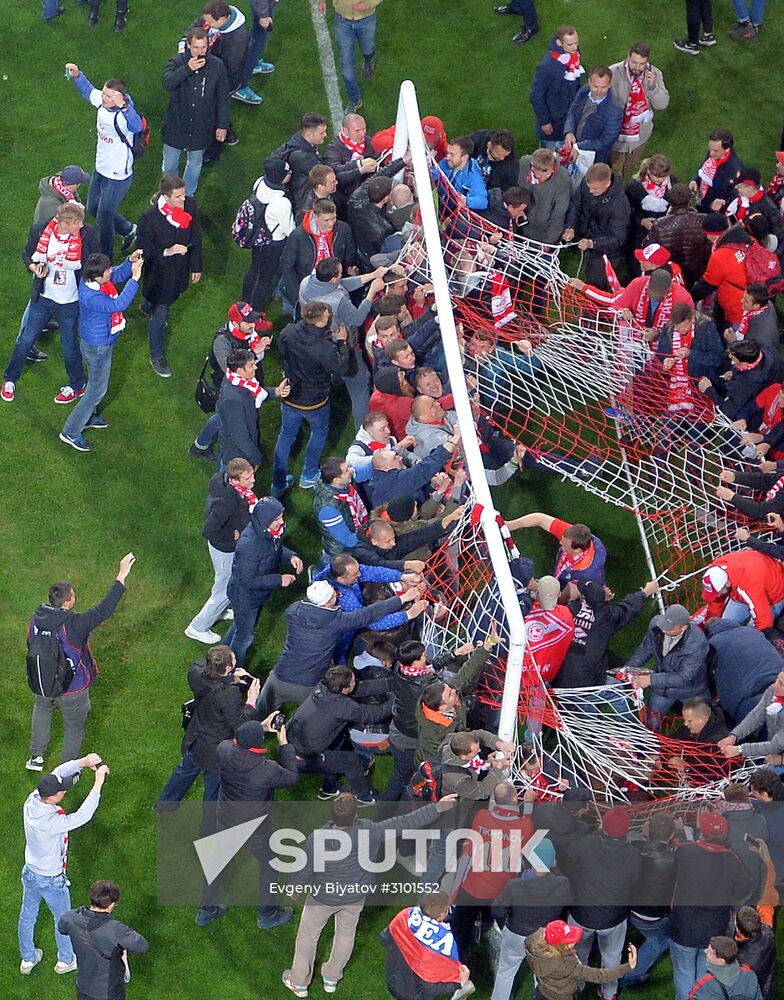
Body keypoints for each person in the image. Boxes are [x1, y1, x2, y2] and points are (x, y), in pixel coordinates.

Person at [283, 792, 455, 997]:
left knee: (307, 936)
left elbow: (306, 867)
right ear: (355, 816)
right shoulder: (370, 830)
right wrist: (437, 807)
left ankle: (299, 981)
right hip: (355, 896)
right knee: (346, 934)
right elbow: (406, 822)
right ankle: (331, 977)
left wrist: (295, 887)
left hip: (323, 897)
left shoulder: (318, 837)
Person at [25, 553, 135, 772]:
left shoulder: (37, 617)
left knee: (42, 709)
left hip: (42, 680)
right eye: (73, 595)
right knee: (74, 729)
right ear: (67, 602)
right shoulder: (75, 624)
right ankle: (64, 772)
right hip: (72, 688)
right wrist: (121, 576)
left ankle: (36, 758)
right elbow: (104, 609)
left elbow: (30, 642)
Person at [257, 579, 421, 715]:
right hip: (308, 685)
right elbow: (369, 614)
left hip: (279, 676)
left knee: (257, 713)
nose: (337, 593)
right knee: (316, 719)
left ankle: (248, 735)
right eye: (334, 594)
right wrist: (404, 601)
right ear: (329, 601)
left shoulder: (293, 611)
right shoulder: (338, 621)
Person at [196, 717, 298, 928]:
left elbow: (234, 741)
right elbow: (291, 778)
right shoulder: (266, 770)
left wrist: (259, 727)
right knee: (270, 866)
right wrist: (284, 745)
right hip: (255, 831)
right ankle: (267, 914)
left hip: (225, 819)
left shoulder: (224, 750)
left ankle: (206, 910)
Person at [19, 754, 109, 976]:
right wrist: (98, 782)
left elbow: (58, 772)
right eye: (62, 791)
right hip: (51, 879)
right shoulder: (50, 822)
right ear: (52, 798)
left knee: (27, 915)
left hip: (30, 872)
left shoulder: (33, 800)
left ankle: (27, 959)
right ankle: (65, 960)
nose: (65, 791)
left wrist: (83, 762)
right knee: (64, 920)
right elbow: (82, 816)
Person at [2, 203, 99, 406]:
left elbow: (96, 259)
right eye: (76, 223)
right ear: (64, 223)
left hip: (70, 301)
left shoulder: (87, 233)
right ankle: (10, 379)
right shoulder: (41, 230)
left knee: (70, 345)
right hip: (44, 297)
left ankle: (77, 384)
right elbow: (27, 255)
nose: (81, 225)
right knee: (26, 339)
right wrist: (34, 267)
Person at [156, 645, 260, 811]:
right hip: (216, 750)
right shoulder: (229, 694)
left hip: (196, 737)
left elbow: (212, 684)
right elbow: (241, 725)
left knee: (184, 772)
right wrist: (251, 702)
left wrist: (230, 679)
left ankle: (164, 804)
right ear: (227, 667)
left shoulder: (195, 672)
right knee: (214, 791)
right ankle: (209, 827)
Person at [59, 250, 143, 453]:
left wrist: (128, 262)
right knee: (97, 390)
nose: (110, 272)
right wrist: (135, 278)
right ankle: (70, 431)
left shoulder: (93, 280)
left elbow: (116, 274)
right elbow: (119, 304)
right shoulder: (92, 297)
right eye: (107, 271)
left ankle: (88, 417)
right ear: (98, 276)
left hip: (98, 341)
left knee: (96, 385)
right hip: (98, 347)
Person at [669, 813, 752, 1000]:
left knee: (684, 972)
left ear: (703, 832)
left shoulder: (685, 852)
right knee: (703, 973)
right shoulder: (733, 859)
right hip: (714, 927)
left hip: (683, 924)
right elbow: (742, 891)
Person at [272, 301, 352, 494]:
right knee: (319, 432)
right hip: (315, 401)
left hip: (291, 395)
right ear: (320, 321)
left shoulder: (288, 331)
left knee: (286, 435)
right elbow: (341, 368)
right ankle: (308, 475)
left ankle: (278, 482)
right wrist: (342, 342)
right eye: (327, 315)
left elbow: (282, 353)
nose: (329, 316)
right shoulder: (324, 348)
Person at [64, 63, 143, 257]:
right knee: (92, 207)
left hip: (117, 175)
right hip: (101, 168)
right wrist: (77, 75)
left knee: (104, 216)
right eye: (105, 94)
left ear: (120, 98)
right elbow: (89, 91)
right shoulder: (103, 103)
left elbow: (137, 126)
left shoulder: (124, 117)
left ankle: (105, 258)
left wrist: (124, 106)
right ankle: (129, 230)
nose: (104, 98)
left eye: (109, 96)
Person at [565, 807, 642, 1000]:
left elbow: (569, 861)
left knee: (577, 954)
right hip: (613, 918)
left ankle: (577, 987)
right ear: (625, 830)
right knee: (611, 958)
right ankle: (609, 993)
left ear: (603, 826)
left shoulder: (584, 844)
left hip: (582, 914)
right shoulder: (633, 855)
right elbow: (634, 880)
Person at [299, 258, 387, 427]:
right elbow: (357, 318)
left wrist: (371, 276)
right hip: (344, 346)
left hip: (319, 343)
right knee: (359, 386)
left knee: (335, 370)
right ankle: (365, 432)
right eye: (339, 273)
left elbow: (341, 285)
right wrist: (372, 292)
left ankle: (336, 378)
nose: (342, 275)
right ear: (332, 278)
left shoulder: (306, 283)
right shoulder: (337, 301)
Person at [288, 664, 394, 801]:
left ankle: (328, 789)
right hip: (304, 756)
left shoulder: (323, 687)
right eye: (353, 682)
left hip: (292, 741)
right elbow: (373, 714)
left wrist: (390, 683)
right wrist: (395, 702)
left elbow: (361, 688)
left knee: (336, 747)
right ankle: (365, 797)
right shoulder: (342, 706)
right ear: (344, 689)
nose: (356, 683)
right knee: (352, 762)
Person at [136, 174, 203, 377]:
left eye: (184, 194)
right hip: (159, 273)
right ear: (166, 196)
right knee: (161, 313)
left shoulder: (189, 205)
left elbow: (196, 236)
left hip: (180, 270)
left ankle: (147, 306)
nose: (184, 199)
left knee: (171, 297)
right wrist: (167, 251)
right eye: (179, 196)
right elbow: (143, 249)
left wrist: (196, 265)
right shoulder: (149, 218)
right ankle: (156, 355)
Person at [223, 497, 303, 665]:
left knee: (240, 627)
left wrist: (290, 556)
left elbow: (275, 549)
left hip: (254, 596)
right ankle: (232, 671)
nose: (281, 522)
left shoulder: (268, 532)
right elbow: (248, 580)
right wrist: (279, 580)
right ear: (265, 520)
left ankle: (221, 656)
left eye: (281, 516)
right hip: (246, 597)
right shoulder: (249, 546)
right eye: (276, 519)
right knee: (244, 638)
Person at [185, 458, 257, 644]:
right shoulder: (226, 502)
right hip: (223, 549)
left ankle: (217, 611)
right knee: (226, 588)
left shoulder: (226, 483)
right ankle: (198, 627)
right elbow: (208, 530)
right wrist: (231, 536)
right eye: (248, 478)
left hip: (226, 548)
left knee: (222, 584)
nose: (253, 480)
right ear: (236, 479)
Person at [190, 301, 273, 460]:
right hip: (230, 386)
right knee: (225, 417)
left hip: (248, 379)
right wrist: (254, 353)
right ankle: (200, 446)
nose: (252, 325)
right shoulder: (222, 341)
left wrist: (259, 348)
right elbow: (229, 368)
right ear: (235, 323)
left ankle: (201, 445)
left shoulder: (248, 332)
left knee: (235, 415)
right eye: (248, 322)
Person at [491, 838, 571, 1000]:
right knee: (543, 975)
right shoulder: (562, 884)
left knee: (505, 972)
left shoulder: (515, 885)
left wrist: (504, 927)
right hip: (545, 938)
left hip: (516, 934)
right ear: (553, 862)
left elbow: (497, 910)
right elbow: (567, 903)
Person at [161, 27, 230, 197]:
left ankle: (187, 195)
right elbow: (167, 83)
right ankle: (169, 193)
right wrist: (187, 69)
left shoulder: (217, 66)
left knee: (195, 164)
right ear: (189, 46)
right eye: (196, 48)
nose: (200, 52)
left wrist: (222, 125)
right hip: (176, 124)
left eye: (204, 47)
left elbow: (222, 97)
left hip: (201, 126)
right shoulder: (177, 62)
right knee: (170, 165)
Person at [557, 579, 657, 688]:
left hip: (561, 675)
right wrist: (646, 592)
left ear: (584, 599)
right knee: (618, 692)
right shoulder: (608, 618)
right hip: (588, 681)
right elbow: (627, 608)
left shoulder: (570, 609)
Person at [624, 603, 710, 730]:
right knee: (651, 724)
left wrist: (650, 680)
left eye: (669, 628)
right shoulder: (657, 625)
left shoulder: (698, 644)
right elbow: (646, 649)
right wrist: (628, 668)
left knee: (703, 726)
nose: (663, 630)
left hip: (691, 692)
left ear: (683, 627)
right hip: (662, 690)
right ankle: (648, 743)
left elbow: (684, 677)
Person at [58, 881, 149, 999]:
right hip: (108, 991)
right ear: (111, 905)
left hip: (83, 986)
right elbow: (142, 946)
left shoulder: (70, 918)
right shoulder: (116, 929)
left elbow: (62, 928)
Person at [618, 813, 677, 990]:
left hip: (625, 907)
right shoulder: (675, 858)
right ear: (672, 835)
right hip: (650, 916)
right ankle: (628, 978)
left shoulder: (632, 846)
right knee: (661, 941)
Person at [381, 891, 472, 1000]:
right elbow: (431, 988)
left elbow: (384, 939)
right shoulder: (443, 943)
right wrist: (459, 984)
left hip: (394, 980)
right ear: (442, 914)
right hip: (416, 994)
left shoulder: (405, 916)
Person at [525, 920, 636, 1000]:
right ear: (561, 946)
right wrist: (628, 966)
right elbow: (600, 976)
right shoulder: (566, 966)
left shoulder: (535, 945)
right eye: (570, 941)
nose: (575, 941)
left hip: (542, 992)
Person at [280, 197, 357, 312]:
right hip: (308, 284)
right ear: (315, 217)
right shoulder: (298, 236)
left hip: (333, 282)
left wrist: (350, 269)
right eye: (326, 220)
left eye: (334, 218)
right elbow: (287, 265)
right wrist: (297, 295)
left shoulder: (343, 229)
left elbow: (350, 253)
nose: (331, 223)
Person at [216, 347, 289, 469]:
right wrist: (255, 457)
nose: (255, 367)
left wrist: (276, 392)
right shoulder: (233, 399)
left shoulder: (238, 381)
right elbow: (240, 436)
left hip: (241, 450)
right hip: (237, 456)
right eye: (251, 365)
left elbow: (254, 394)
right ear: (240, 370)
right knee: (234, 485)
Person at [562, 163, 631, 288]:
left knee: (597, 285)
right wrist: (570, 227)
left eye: (595, 189)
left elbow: (618, 238)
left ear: (608, 183)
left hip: (608, 252)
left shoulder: (620, 205)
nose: (590, 191)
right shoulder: (589, 183)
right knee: (590, 275)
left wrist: (592, 243)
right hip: (590, 237)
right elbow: (576, 205)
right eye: (589, 188)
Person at [240, 158, 295, 311]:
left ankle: (244, 303)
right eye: (288, 172)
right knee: (265, 278)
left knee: (253, 269)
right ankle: (255, 312)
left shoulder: (259, 183)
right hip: (274, 243)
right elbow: (289, 230)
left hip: (257, 238)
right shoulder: (282, 203)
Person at [703, 619, 781, 727]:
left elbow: (706, 679)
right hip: (778, 680)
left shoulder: (713, 644)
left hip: (750, 697)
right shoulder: (752, 631)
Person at [608, 44, 669, 179]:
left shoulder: (654, 74)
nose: (637, 67)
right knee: (615, 169)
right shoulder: (613, 72)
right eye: (634, 62)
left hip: (640, 136)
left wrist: (653, 86)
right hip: (618, 134)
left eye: (642, 64)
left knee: (629, 169)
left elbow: (662, 104)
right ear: (628, 57)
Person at [507, 511, 607, 586]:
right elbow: (540, 519)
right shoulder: (574, 535)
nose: (560, 542)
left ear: (578, 550)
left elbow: (566, 597)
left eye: (565, 545)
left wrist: (538, 588)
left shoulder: (585, 574)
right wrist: (510, 525)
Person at [317, 0, 382, 114]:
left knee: (368, 48)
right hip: (342, 20)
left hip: (366, 18)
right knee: (346, 65)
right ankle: (355, 99)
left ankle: (368, 60)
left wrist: (368, 4)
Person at [529, 25, 585, 149]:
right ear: (559, 43)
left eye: (576, 43)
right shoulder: (546, 66)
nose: (575, 47)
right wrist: (545, 121)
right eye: (570, 44)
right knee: (549, 156)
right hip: (554, 122)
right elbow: (536, 95)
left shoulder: (574, 54)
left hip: (569, 115)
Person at [700, 550, 784, 631]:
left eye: (718, 592)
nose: (717, 595)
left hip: (775, 593)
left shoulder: (749, 585)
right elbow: (715, 600)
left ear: (728, 583)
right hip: (743, 588)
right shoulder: (715, 569)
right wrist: (711, 625)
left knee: (752, 631)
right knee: (724, 624)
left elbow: (764, 619)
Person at [645, 182, 709, 288]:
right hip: (697, 273)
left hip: (671, 275)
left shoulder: (659, 224)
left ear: (670, 202)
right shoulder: (703, 220)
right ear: (689, 200)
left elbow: (648, 247)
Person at [562, 67, 624, 167]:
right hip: (573, 144)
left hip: (593, 158)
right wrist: (569, 131)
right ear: (589, 82)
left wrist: (578, 147)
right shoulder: (584, 91)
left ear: (610, 84)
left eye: (603, 87)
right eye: (595, 86)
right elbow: (572, 112)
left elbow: (605, 141)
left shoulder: (615, 111)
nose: (599, 91)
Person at [720, 670, 784, 764]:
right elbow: (756, 716)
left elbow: (776, 745)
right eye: (777, 680)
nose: (775, 685)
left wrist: (740, 749)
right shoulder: (772, 691)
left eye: (781, 684)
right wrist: (734, 736)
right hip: (772, 749)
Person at [313, 457, 372, 557]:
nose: (350, 471)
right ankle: (319, 569)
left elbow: (370, 469)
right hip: (343, 552)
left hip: (358, 535)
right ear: (336, 480)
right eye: (346, 470)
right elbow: (347, 540)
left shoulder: (342, 482)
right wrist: (372, 535)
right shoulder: (328, 509)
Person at [517, 148, 572, 243]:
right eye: (535, 172)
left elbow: (559, 214)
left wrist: (549, 241)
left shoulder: (562, 179)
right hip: (521, 224)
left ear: (552, 166)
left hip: (544, 231)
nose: (539, 176)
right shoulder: (523, 164)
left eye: (544, 173)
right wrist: (517, 209)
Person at [277, 113, 329, 213]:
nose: (325, 135)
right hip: (303, 198)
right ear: (309, 134)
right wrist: (358, 167)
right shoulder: (305, 158)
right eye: (321, 133)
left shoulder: (299, 140)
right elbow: (326, 176)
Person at [689, 936, 763, 1000]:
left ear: (721, 960)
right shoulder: (750, 976)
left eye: (710, 952)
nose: (705, 951)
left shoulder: (704, 985)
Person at [690, 130, 745, 213]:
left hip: (713, 210)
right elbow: (703, 167)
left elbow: (734, 196)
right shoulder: (715, 153)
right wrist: (695, 180)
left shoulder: (734, 169)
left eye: (715, 150)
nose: (711, 153)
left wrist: (715, 207)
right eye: (710, 149)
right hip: (703, 200)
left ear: (727, 149)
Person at [436, 136, 489, 211]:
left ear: (464, 157)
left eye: (452, 154)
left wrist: (466, 201)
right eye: (448, 153)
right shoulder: (446, 162)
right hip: (436, 201)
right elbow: (433, 174)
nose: (447, 157)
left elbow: (482, 201)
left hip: (451, 214)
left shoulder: (473, 176)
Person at [735, 906, 776, 1000]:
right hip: (766, 984)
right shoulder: (768, 931)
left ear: (738, 929)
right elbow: (766, 908)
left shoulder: (744, 961)